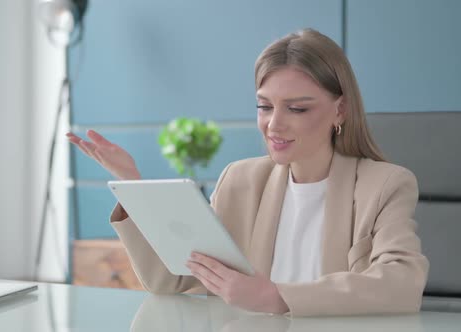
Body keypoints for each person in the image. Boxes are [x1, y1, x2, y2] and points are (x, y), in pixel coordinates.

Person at [66, 28, 429, 316]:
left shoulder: (384, 185)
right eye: (264, 106)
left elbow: (402, 284)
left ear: (340, 110)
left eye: (297, 109)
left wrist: (278, 297)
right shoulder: (240, 180)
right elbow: (172, 280)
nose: (274, 124)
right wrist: (133, 186)